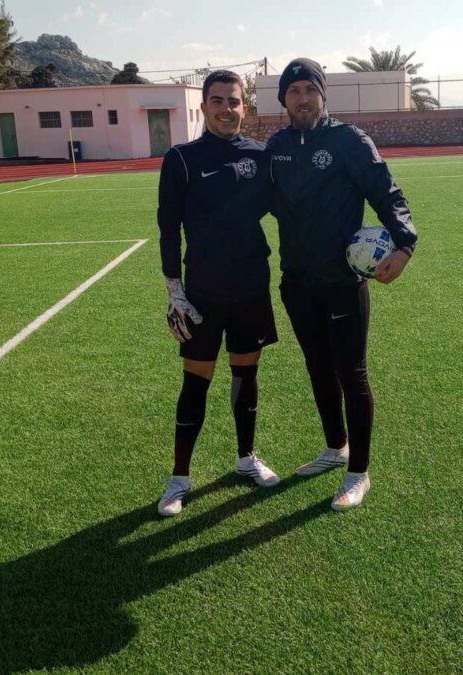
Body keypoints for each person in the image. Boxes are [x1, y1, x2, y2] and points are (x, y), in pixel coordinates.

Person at [267, 58, 418, 511]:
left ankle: (359, 473)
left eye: (309, 90)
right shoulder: (276, 147)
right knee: (317, 367)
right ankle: (336, 447)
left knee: (351, 373)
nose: (302, 99)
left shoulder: (349, 141)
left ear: (322, 95)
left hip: (342, 282)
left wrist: (405, 245)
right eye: (294, 91)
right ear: (284, 100)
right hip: (297, 282)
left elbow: (387, 192)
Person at [155, 70, 280, 517]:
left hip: (251, 286)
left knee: (246, 376)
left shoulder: (261, 156)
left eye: (234, 101)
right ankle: (179, 478)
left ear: (245, 106)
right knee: (196, 381)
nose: (227, 109)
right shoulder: (182, 159)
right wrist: (175, 291)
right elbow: (168, 230)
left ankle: (246, 458)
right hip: (202, 293)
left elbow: (291, 208)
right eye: (218, 101)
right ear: (204, 106)